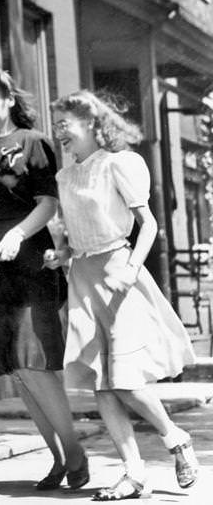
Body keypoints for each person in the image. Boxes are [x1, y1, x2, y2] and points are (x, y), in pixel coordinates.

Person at [46, 90, 199, 501]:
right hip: (81, 275)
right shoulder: (65, 176)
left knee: (126, 381)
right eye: (56, 124)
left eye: (66, 124)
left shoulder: (117, 165)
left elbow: (146, 225)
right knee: (101, 382)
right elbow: (74, 234)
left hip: (119, 273)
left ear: (94, 124)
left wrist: (131, 270)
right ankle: (134, 472)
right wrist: (59, 254)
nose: (59, 132)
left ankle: (175, 439)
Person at [0, 68, 88, 490]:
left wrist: (17, 234)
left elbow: (47, 204)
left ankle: (75, 453)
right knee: (17, 367)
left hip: (29, 259)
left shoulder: (34, 143)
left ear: (9, 100)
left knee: (36, 363)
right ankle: (58, 459)